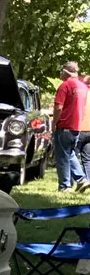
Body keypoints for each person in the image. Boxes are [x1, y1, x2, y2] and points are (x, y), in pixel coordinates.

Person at [51, 61, 87, 191]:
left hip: (64, 126)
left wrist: (54, 122)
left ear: (66, 72)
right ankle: (82, 179)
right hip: (76, 126)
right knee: (70, 153)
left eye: (62, 71)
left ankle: (65, 186)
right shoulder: (83, 87)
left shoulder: (65, 86)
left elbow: (59, 106)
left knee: (62, 157)